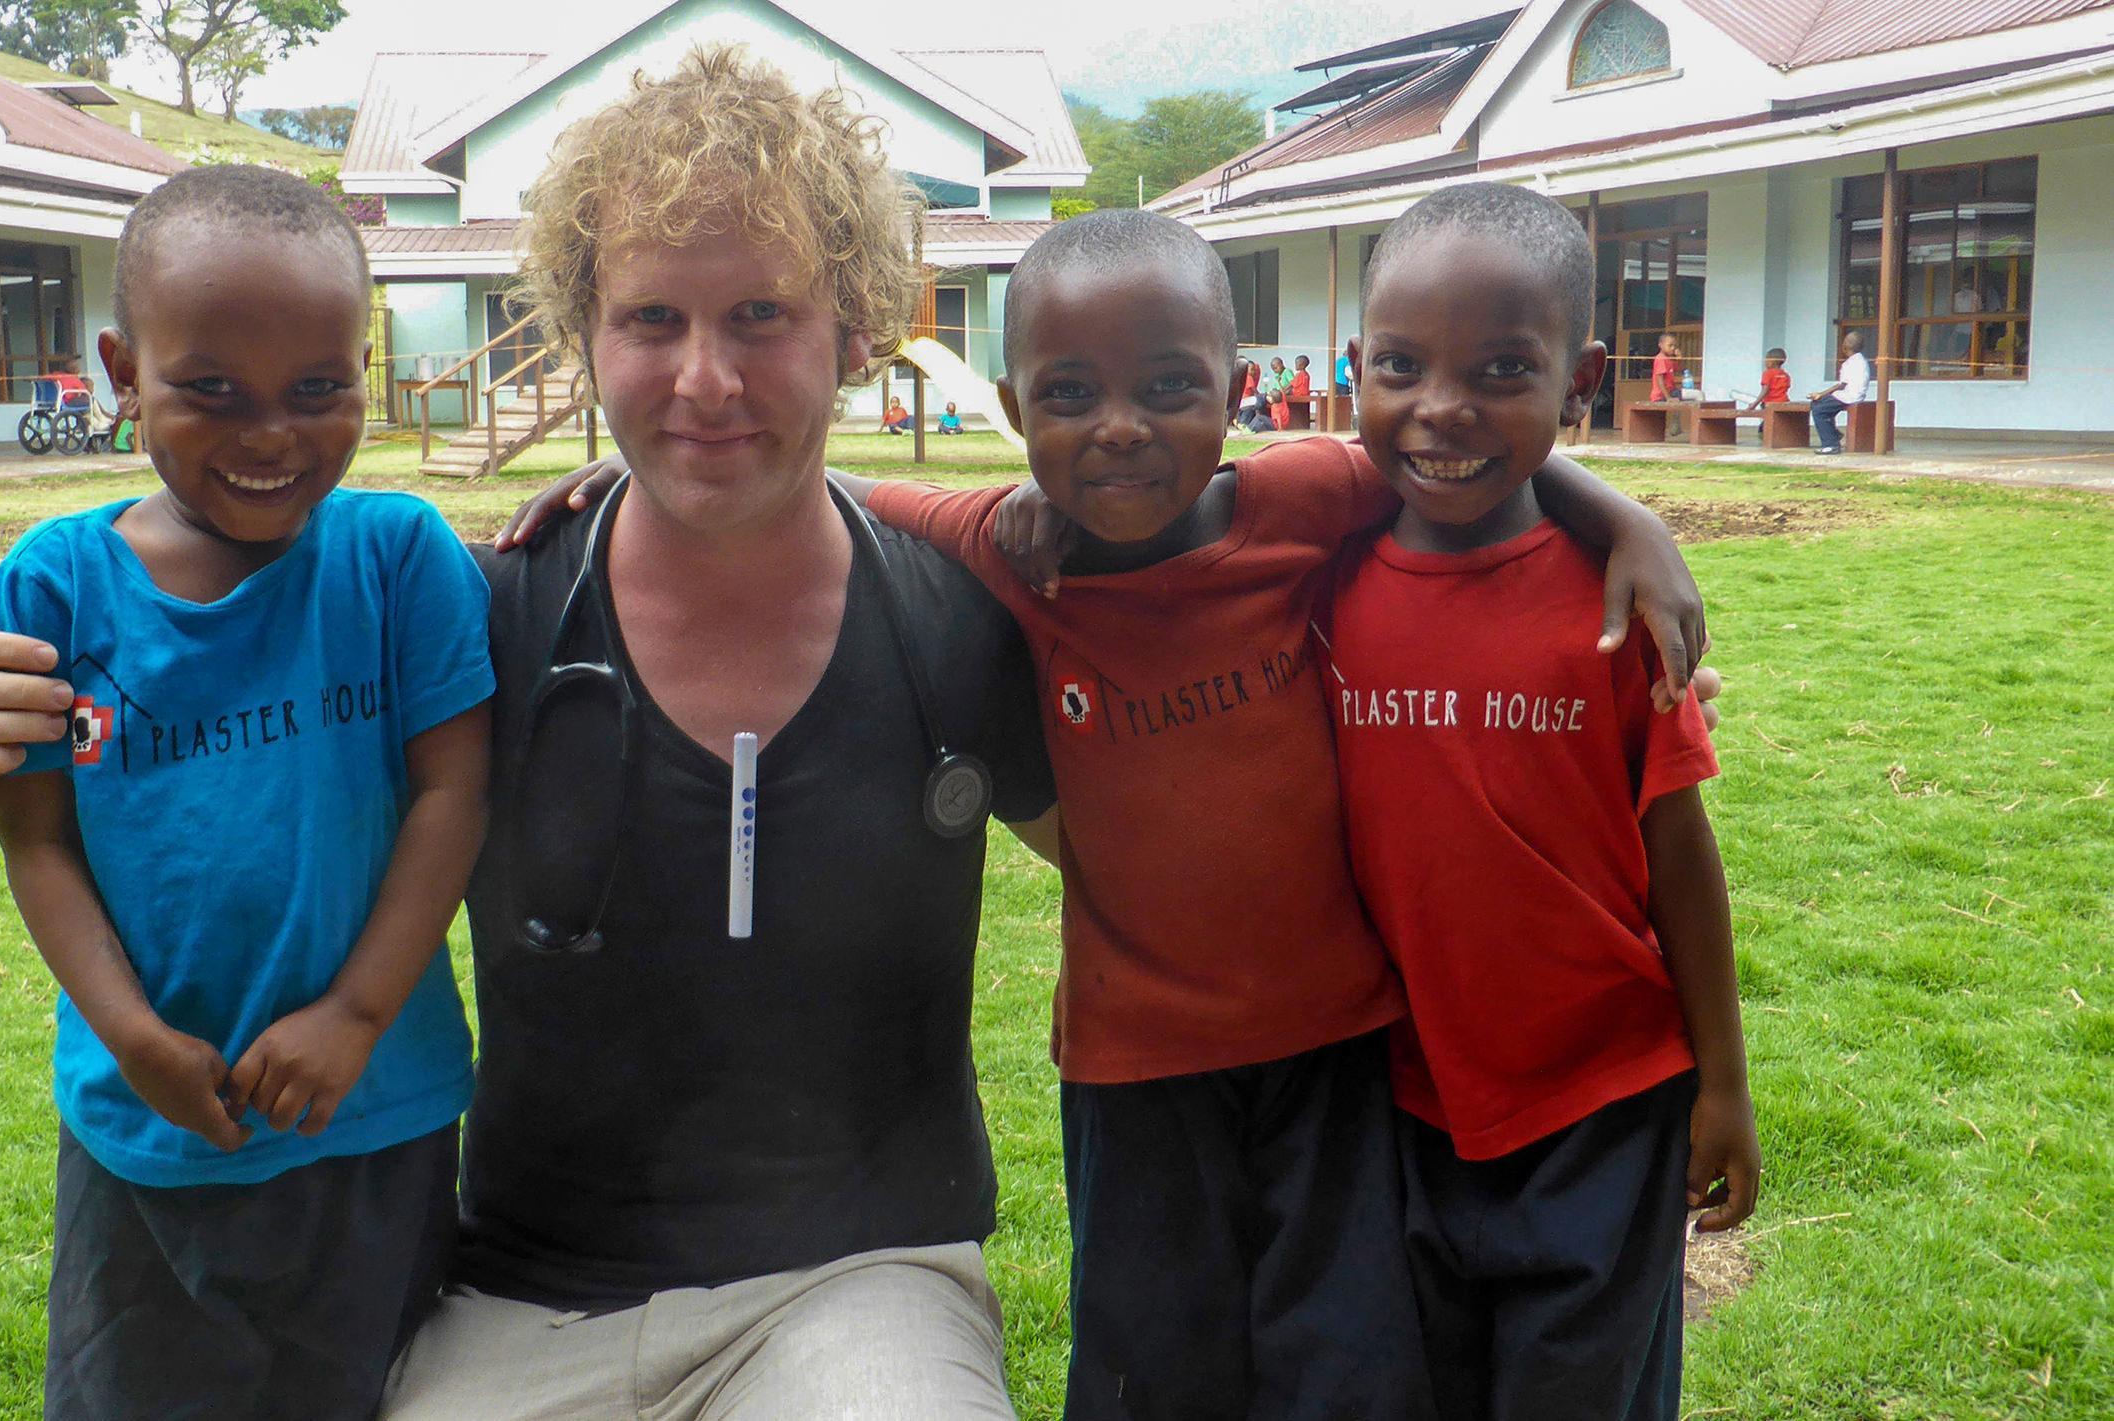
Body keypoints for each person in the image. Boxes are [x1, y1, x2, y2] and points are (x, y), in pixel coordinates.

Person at [0, 45, 1054, 1419]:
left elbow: (1148, 866)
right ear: (585, 332)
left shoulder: (952, 623)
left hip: (861, 1279)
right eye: (649, 320)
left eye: (761, 313)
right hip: (531, 1293)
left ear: (858, 329)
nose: (702, 379)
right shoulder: (482, 609)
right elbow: (226, 755)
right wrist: (2, 768)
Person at [499, 207, 1718, 1421]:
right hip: (1138, 1069)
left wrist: (1626, 519)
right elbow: (844, 490)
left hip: (1339, 1050)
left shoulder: (1299, 500)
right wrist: (654, 457)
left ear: (1237, 389)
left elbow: (1448, 443)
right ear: (1016, 411)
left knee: (1347, 1362)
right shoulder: (1009, 549)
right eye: (1070, 394)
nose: (1121, 429)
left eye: (1169, 388)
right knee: (1152, 1363)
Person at [0, 164, 492, 1420]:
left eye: (319, 390)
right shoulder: (54, 587)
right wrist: (135, 1038)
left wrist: (358, 1015)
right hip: (149, 1131)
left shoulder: (397, 557)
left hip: (377, 1117)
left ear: (362, 369)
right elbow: (37, 843)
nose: (271, 434)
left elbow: (452, 796)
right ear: (119, 370)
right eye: (211, 391)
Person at [1329, 181, 1758, 1421]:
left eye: (1501, 370)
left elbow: (1679, 852)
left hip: (1605, 1101)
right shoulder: (1320, 573)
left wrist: (1721, 1081)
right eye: (1400, 365)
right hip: (1401, 1099)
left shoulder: (1620, 610)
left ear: (1579, 381)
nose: (1441, 408)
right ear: (1358, 363)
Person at [1809, 331, 1871, 454]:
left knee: (1819, 410)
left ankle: (1831, 444)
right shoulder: (1861, 361)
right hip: (1854, 395)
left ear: (1844, 346)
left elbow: (1842, 385)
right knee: (1817, 404)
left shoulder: (1849, 363)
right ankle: (1834, 435)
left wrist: (1821, 394)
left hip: (1848, 397)